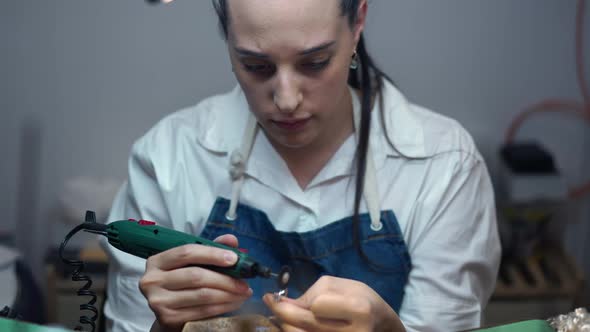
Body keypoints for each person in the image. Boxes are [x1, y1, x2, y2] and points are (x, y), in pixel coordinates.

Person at [101, 0, 501, 331]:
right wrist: (163, 327)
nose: (287, 100)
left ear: (358, 21)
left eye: (315, 62)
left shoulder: (444, 164)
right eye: (257, 67)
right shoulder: (170, 158)